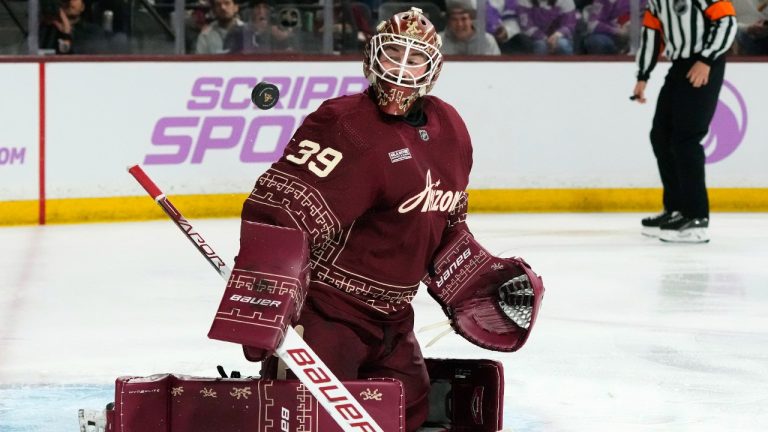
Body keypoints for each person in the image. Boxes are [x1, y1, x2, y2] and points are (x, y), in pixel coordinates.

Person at [207, 7, 543, 431]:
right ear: (371, 58)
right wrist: (264, 305)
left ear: (433, 70)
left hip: (394, 320)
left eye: (415, 58)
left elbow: (447, 218)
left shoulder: (451, 128)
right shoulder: (344, 125)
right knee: (312, 419)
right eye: (392, 55)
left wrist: (473, 276)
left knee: (412, 413)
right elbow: (281, 212)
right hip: (328, 314)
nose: (401, 69)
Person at [632, 0, 737, 243]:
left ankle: (697, 216)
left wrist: (707, 59)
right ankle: (676, 210)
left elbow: (727, 21)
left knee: (686, 139)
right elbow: (652, 35)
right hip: (679, 65)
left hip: (704, 63)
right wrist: (643, 76)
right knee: (660, 136)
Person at [39, 0, 110, 54]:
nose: (70, 2)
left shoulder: (92, 31)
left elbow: (91, 54)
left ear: (83, 6)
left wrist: (67, 34)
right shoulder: (48, 29)